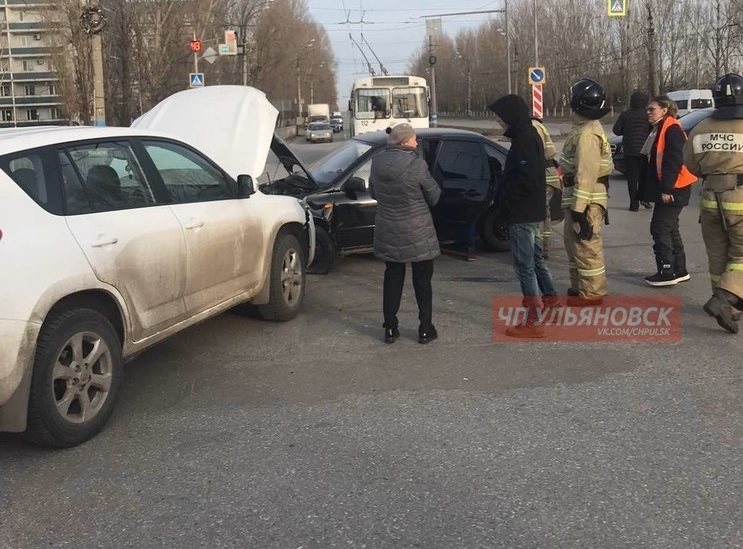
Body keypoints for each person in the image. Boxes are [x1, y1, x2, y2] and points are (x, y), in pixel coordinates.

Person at [489, 94, 558, 338]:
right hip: (530, 209)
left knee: (524, 266)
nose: (500, 123)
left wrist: (506, 198)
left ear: (511, 116)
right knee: (536, 259)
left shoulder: (525, 140)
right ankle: (550, 300)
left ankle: (533, 320)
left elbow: (526, 179)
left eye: (501, 118)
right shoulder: (528, 135)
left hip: (522, 212)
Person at [369, 122, 441, 344]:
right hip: (418, 232)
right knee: (422, 281)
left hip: (388, 229)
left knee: (392, 278)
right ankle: (425, 329)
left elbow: (373, 192)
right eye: (413, 139)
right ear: (404, 142)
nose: (417, 142)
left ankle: (390, 328)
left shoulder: (377, 162)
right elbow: (434, 196)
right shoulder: (417, 165)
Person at [683, 73, 743, 333]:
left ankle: (728, 307)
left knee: (718, 254)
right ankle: (725, 299)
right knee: (740, 254)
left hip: (709, 198)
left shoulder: (701, 127)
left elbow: (690, 165)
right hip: (741, 196)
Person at [560, 79, 614, 306]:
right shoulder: (584, 128)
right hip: (582, 198)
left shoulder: (587, 134)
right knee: (574, 245)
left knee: (586, 246)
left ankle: (592, 294)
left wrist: (579, 211)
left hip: (587, 200)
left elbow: (586, 174)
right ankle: (580, 286)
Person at [641, 95, 697, 286]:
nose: (648, 112)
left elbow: (673, 160)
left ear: (664, 110)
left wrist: (667, 188)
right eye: (647, 109)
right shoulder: (661, 127)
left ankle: (666, 271)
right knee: (671, 228)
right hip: (675, 187)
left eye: (652, 109)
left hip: (675, 188)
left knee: (660, 227)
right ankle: (679, 270)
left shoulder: (671, 129)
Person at [613, 91, 653, 210]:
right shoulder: (647, 115)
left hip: (629, 151)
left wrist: (626, 130)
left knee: (632, 178)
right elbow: (653, 130)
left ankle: (633, 204)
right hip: (644, 151)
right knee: (643, 176)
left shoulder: (626, 115)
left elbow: (616, 130)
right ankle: (645, 199)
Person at [531, 117, 563, 259]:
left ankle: (540, 249)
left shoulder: (533, 127)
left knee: (539, 213)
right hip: (548, 173)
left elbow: (534, 153)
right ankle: (543, 248)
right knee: (544, 213)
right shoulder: (536, 125)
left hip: (544, 175)